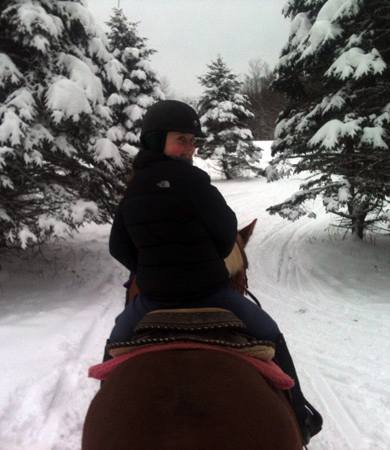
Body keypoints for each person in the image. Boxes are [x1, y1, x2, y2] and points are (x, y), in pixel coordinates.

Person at [107, 100, 322, 443]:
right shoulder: (196, 182)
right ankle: (301, 417)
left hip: (152, 300)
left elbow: (118, 246)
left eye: (193, 141)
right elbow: (226, 238)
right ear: (155, 139)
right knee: (271, 333)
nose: (190, 147)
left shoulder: (133, 189)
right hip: (211, 294)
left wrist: (151, 269)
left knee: (115, 345)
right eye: (182, 139)